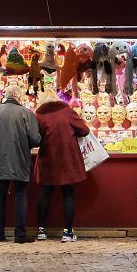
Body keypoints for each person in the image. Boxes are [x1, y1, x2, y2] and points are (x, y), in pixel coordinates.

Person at [0, 83, 41, 243]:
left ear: (6, 96)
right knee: (20, 196)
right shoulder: (26, 113)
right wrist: (25, 145)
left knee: (0, 196)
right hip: (21, 159)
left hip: (0, 160)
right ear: (19, 97)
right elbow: (36, 139)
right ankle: (20, 235)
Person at [33, 92, 90, 242]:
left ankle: (41, 230)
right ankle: (68, 232)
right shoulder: (67, 111)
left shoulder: (38, 114)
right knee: (68, 193)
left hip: (47, 158)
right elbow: (84, 130)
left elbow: (34, 138)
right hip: (67, 158)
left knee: (45, 193)